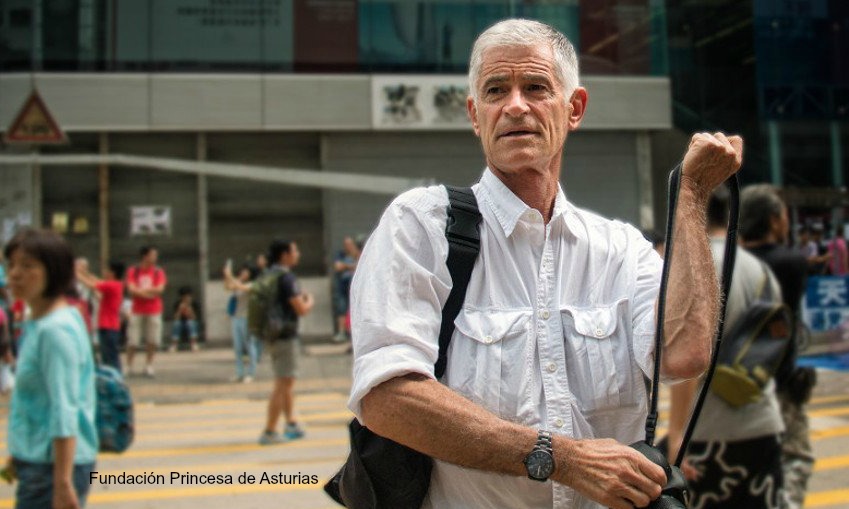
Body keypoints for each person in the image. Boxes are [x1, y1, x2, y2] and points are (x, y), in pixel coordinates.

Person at [347, 19, 743, 509]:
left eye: (535, 87)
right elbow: (387, 397)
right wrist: (562, 458)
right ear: (476, 115)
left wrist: (692, 195)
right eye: (496, 90)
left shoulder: (621, 249)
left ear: (574, 108)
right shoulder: (421, 225)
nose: (515, 105)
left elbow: (684, 355)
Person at [666, 187, 786, 509]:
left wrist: (677, 433)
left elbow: (686, 359)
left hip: (708, 432)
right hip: (762, 422)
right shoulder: (759, 269)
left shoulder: (690, 269)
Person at [3, 229, 97, 508]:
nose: (15, 275)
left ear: (53, 272)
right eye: (12, 265)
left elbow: (64, 408)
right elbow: (37, 401)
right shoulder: (41, 321)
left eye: (28, 266)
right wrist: (21, 451)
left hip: (51, 468)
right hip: (39, 461)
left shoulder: (55, 331)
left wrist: (63, 482)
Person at [740, 184, 816, 509]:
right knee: (795, 458)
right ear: (773, 221)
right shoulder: (792, 263)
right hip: (780, 384)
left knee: (749, 465)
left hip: (735, 386)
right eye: (783, 215)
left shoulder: (731, 262)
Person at [258, 240, 314, 445]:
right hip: (285, 336)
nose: (297, 253)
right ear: (284, 255)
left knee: (286, 381)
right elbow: (301, 309)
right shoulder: (287, 278)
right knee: (283, 384)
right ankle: (270, 430)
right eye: (294, 250)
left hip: (271, 335)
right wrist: (309, 300)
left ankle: (291, 423)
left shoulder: (268, 274)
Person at [75, 261, 126, 372]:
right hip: (110, 325)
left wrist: (77, 274)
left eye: (107, 270)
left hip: (108, 325)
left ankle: (115, 378)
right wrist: (85, 272)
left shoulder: (111, 285)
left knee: (109, 357)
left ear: (112, 273)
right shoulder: (116, 284)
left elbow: (92, 284)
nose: (104, 272)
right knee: (110, 355)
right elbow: (96, 280)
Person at [125, 245, 167, 377]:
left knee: (152, 339)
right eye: (152, 255)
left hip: (154, 309)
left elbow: (160, 289)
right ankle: (129, 365)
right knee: (133, 340)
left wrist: (140, 292)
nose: (155, 257)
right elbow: (131, 289)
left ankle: (149, 365)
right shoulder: (133, 271)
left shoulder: (158, 272)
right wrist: (148, 293)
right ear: (145, 256)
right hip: (137, 309)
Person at [223, 261, 260, 383]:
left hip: (247, 318)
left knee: (249, 345)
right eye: (242, 271)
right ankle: (240, 373)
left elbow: (240, 287)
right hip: (236, 318)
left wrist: (230, 276)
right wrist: (227, 276)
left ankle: (251, 373)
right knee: (237, 347)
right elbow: (228, 287)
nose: (243, 273)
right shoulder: (239, 282)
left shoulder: (253, 284)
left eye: (246, 271)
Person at [332, 236, 360, 343]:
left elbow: (359, 266)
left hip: (354, 288)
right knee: (342, 310)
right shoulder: (340, 255)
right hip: (342, 287)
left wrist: (346, 266)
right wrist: (350, 266)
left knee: (354, 311)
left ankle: (353, 335)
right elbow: (337, 267)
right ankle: (342, 333)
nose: (347, 247)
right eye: (345, 245)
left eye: (349, 244)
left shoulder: (356, 254)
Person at [169, 286, 200, 352]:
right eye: (184, 297)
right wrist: (180, 310)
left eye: (188, 296)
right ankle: (174, 345)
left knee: (190, 323)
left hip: (191, 323)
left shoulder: (194, 304)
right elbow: (176, 318)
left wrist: (189, 309)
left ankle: (194, 344)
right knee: (176, 324)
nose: (186, 298)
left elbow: (194, 318)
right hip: (181, 323)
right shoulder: (177, 304)